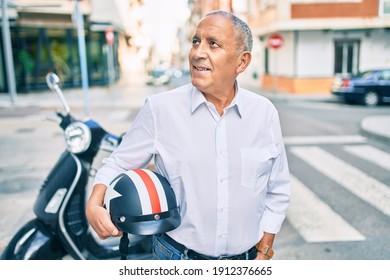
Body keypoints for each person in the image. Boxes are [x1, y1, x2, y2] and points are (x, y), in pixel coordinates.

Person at [86, 10, 291, 260]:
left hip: (247, 259)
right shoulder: (160, 109)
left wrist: (265, 248)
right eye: (196, 41)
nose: (197, 53)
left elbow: (277, 188)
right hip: (176, 256)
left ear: (242, 62)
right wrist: (94, 203)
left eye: (212, 44)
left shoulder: (264, 113)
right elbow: (118, 162)